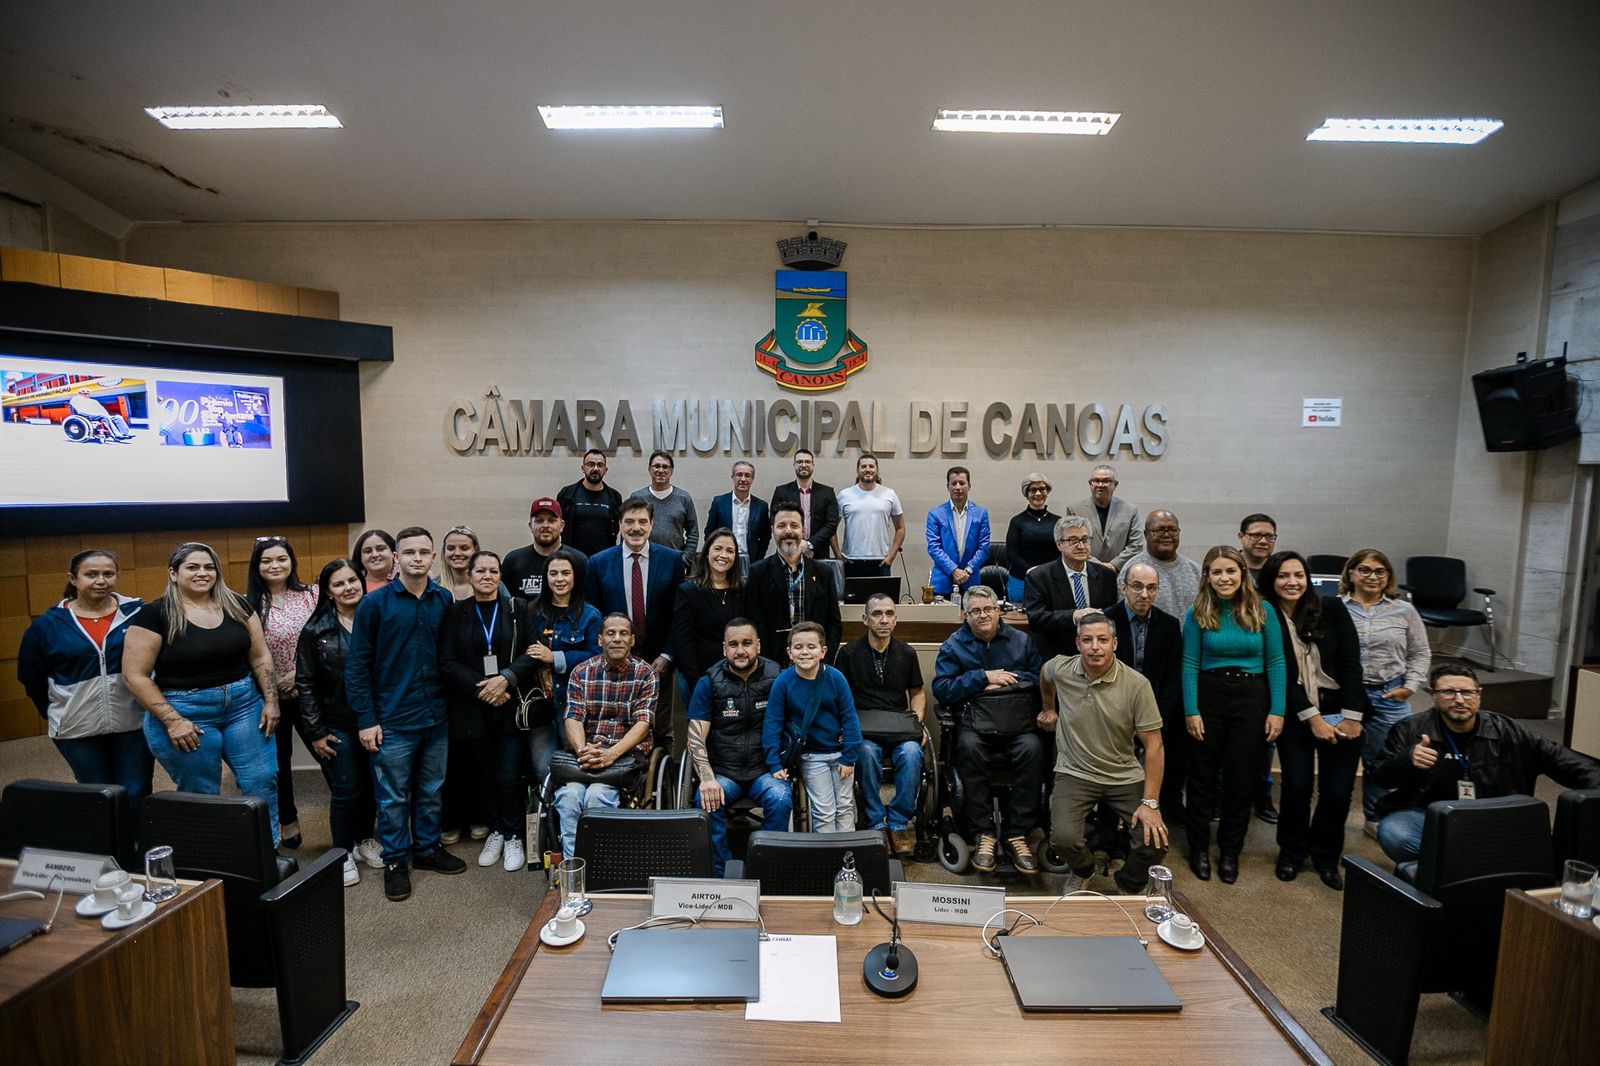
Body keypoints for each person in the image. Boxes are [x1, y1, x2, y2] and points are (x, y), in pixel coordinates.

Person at [121, 542, 282, 841]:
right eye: (192, 567)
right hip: (185, 712)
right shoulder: (154, 614)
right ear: (173, 573)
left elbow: (260, 657)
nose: (202, 573)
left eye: (209, 567)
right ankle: (212, 860)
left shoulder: (237, 604)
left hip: (244, 705)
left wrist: (271, 701)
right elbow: (135, 675)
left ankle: (267, 854)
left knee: (262, 780)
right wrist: (173, 721)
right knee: (203, 792)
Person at [1371, 663, 1600, 863]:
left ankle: (1457, 864)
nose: (1459, 700)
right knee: (1396, 833)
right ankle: (1478, 863)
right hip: (1431, 817)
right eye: (1449, 692)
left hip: (1494, 818)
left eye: (1467, 693)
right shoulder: (1410, 729)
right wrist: (1408, 760)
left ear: (1479, 694)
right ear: (1433, 695)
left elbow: (1565, 762)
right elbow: (1380, 775)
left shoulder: (1509, 732)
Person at [346, 527, 466, 902]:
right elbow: (357, 666)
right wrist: (366, 719)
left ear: (433, 558)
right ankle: (396, 859)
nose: (417, 558)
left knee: (430, 791)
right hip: (392, 719)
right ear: (397, 557)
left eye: (424, 552)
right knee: (393, 797)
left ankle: (427, 849)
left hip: (436, 715)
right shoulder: (375, 604)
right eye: (409, 552)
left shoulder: (442, 598)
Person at [17, 549, 152, 833]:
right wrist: (55, 709)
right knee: (97, 794)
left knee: (136, 791)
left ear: (117, 576)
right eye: (91, 574)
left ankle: (137, 855)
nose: (100, 580)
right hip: (77, 726)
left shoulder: (138, 613)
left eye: (108, 574)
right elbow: (30, 676)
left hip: (133, 721)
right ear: (73, 579)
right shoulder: (48, 625)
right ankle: (107, 853)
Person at [1258, 551, 1367, 890]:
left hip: (1342, 709)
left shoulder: (1332, 609)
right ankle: (1291, 853)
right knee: (1298, 786)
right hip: (1297, 712)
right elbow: (1280, 674)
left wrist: (1352, 717)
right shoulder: (1266, 616)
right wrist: (1313, 718)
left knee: (1337, 791)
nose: (1292, 582)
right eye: (1283, 576)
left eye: (1299, 575)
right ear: (1271, 581)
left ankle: (1325, 857)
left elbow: (1351, 664)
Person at [1041, 611, 1169, 892]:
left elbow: (1154, 745)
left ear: (1114, 643)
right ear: (1077, 644)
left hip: (1122, 773)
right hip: (1074, 771)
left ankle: (1127, 883)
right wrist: (1049, 707)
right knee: (1062, 839)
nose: (1094, 647)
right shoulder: (1062, 669)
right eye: (1087, 640)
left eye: (1102, 640)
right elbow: (1045, 674)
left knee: (1155, 840)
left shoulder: (1137, 685)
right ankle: (1085, 870)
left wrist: (1150, 804)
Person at [1181, 545, 1285, 885]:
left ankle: (1230, 851)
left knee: (1242, 779)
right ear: (1207, 577)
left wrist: (1278, 710)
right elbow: (1190, 663)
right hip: (1209, 694)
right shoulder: (1198, 611)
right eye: (1217, 572)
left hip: (1252, 696)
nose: (1224, 578)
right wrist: (1191, 709)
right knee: (1202, 777)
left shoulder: (1264, 610)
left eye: (1231, 571)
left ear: (1243, 575)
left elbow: (1276, 663)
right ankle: (1198, 848)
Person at [439, 550, 542, 873]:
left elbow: (533, 652)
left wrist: (504, 680)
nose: (487, 576)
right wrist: (484, 687)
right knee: (484, 773)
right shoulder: (455, 613)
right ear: (469, 576)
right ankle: (496, 830)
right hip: (473, 706)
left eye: (493, 571)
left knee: (509, 774)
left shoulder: (517, 608)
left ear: (501, 576)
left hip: (509, 704)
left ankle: (513, 834)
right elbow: (447, 661)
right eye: (480, 570)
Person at [932, 585, 1046, 874]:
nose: (983, 615)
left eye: (988, 609)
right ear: (965, 616)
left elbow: (1039, 678)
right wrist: (982, 678)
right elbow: (942, 689)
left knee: (1032, 749)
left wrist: (1008, 678)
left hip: (1017, 723)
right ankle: (983, 833)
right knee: (969, 749)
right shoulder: (953, 645)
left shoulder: (1021, 641)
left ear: (998, 611)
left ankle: (1016, 833)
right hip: (974, 725)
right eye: (975, 611)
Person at [296, 559, 382, 886]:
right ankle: (342, 852)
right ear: (328, 592)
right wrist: (316, 732)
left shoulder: (377, 618)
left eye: (352, 581)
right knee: (347, 790)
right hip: (337, 723)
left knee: (373, 787)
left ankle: (364, 841)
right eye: (338, 584)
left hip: (375, 718)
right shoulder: (315, 631)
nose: (348, 588)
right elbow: (306, 685)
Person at [686, 619, 791, 875]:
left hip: (765, 769)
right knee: (705, 798)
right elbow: (695, 736)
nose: (740, 650)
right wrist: (707, 778)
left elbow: (793, 723)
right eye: (733, 644)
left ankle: (768, 868)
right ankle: (722, 872)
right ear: (724, 649)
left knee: (780, 798)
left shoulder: (777, 677)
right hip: (725, 772)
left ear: (758, 646)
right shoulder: (709, 682)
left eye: (746, 643)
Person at [1340, 547, 1431, 833]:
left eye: (1380, 571)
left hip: (1389, 695)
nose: (1372, 576)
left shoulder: (1404, 610)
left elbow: (1420, 651)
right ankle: (1332, 820)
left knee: (1383, 760)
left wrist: (1411, 686)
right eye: (1364, 570)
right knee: (1340, 762)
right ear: (1351, 574)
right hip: (1346, 696)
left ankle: (1374, 818)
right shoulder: (1335, 608)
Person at [554, 613, 657, 857]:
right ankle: (573, 872)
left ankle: (600, 865)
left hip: (625, 756)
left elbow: (643, 723)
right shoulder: (581, 672)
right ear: (600, 640)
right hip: (587, 753)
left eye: (623, 633)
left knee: (597, 797)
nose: (617, 639)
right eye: (610, 633)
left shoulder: (646, 673)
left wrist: (611, 754)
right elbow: (573, 717)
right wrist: (581, 751)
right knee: (569, 797)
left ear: (632, 640)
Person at [586, 499, 685, 745]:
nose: (636, 528)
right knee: (619, 727)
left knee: (660, 730)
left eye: (642, 521)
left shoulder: (672, 561)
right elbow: (593, 615)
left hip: (659, 660)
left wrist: (668, 655)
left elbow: (680, 615)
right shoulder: (598, 563)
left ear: (652, 525)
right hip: (614, 660)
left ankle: (660, 781)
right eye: (629, 521)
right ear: (620, 525)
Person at [834, 594, 926, 854]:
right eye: (877, 614)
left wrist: (918, 722)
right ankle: (876, 822)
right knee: (864, 752)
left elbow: (917, 693)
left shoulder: (906, 652)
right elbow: (838, 697)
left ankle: (898, 823)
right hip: (864, 728)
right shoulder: (849, 653)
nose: (883, 619)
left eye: (889, 614)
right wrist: (843, 728)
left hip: (899, 726)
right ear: (865, 619)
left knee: (911, 753)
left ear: (895, 620)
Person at [245, 536, 319, 850]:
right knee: (278, 765)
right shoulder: (246, 604)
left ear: (292, 562)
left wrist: (299, 674)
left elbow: (324, 640)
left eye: (281, 559)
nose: (275, 566)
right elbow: (248, 653)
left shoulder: (312, 595)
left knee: (330, 755)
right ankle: (287, 821)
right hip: (268, 699)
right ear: (257, 567)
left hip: (311, 692)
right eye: (267, 561)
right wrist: (273, 686)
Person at [763, 622, 861, 832]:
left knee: (845, 807)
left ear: (823, 651)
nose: (805, 652)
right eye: (798, 647)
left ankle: (847, 857)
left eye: (811, 647)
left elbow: (850, 719)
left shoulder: (836, 678)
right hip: (811, 756)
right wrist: (773, 762)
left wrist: (849, 756)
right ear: (789, 652)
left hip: (841, 754)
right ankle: (826, 860)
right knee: (824, 811)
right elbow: (772, 723)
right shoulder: (783, 682)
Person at [1106, 562, 1185, 820]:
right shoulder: (1107, 620)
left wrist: (1154, 724)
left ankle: (1158, 809)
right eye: (1137, 587)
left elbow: (1172, 681)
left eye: (1152, 588)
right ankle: (1108, 826)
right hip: (1113, 711)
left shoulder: (1170, 625)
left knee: (1170, 745)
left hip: (1155, 712)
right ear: (1124, 587)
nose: (1144, 595)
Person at [523, 548, 602, 786]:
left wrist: (555, 657)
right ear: (545, 578)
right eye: (553, 573)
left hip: (575, 704)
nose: (559, 579)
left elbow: (596, 658)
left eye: (565, 573)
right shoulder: (531, 612)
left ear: (575, 577)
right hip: (540, 703)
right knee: (542, 770)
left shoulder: (590, 615)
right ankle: (549, 821)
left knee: (576, 768)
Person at [746, 502, 842, 665]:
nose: (788, 531)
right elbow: (754, 623)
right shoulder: (758, 572)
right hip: (773, 664)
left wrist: (824, 658)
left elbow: (834, 623)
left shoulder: (824, 573)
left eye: (794, 525)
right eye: (781, 526)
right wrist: (767, 664)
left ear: (803, 531)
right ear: (773, 531)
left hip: (814, 661)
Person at [1024, 515, 1117, 661]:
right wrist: (1073, 616)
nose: (1081, 546)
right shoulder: (1038, 577)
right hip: (1058, 656)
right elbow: (1036, 619)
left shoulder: (1107, 575)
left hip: (1098, 656)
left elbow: (1113, 615)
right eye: (1073, 541)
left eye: (1085, 540)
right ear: (1059, 544)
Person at [670, 528, 748, 698]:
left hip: (736, 678)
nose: (723, 555)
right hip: (699, 677)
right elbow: (683, 642)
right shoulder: (688, 591)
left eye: (730, 551)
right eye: (718, 548)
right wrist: (697, 683)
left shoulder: (742, 591)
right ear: (706, 553)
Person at [502, 497, 589, 603]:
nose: (545, 525)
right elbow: (504, 603)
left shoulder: (579, 560)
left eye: (552, 520)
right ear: (530, 526)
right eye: (539, 521)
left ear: (562, 526)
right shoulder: (513, 561)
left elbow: (586, 601)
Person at [1121, 510, 1202, 622]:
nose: (1167, 535)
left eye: (1173, 530)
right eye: (1159, 530)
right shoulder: (1131, 569)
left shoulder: (1196, 571)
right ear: (1146, 534)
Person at [834, 453, 905, 579]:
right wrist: (838, 555)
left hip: (881, 561)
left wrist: (892, 556)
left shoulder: (890, 494)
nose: (868, 469)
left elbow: (900, 528)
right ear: (858, 470)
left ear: (877, 470)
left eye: (871, 466)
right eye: (864, 466)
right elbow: (831, 528)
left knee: (882, 599)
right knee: (853, 600)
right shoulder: (844, 495)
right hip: (851, 561)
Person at [926, 465, 991, 600]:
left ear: (969, 486)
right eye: (953, 483)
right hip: (943, 581)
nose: (958, 487)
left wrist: (967, 571)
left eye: (962, 483)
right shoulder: (935, 514)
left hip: (971, 581)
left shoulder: (981, 514)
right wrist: (954, 571)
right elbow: (934, 548)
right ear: (947, 486)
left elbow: (984, 548)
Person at [1066, 464, 1143, 571]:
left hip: (1118, 574)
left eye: (1106, 481)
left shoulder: (1130, 510)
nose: (1100, 485)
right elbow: (1072, 543)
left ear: (1115, 484)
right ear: (1090, 484)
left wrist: (1114, 565)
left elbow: (1136, 545)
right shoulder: (1074, 510)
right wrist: (1098, 565)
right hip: (1085, 570)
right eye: (1096, 481)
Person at [770, 448, 840, 560]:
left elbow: (831, 524)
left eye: (807, 462)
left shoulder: (827, 492)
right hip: (788, 550)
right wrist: (797, 543)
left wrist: (809, 544)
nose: (804, 465)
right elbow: (775, 521)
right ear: (794, 465)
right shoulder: (781, 492)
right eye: (799, 462)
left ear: (813, 465)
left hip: (819, 553)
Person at [1003, 472, 1060, 602]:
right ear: (1026, 494)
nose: (1038, 494)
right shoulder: (1017, 521)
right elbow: (1012, 555)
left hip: (1050, 579)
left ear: (1047, 491)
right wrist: (1031, 570)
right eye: (1033, 490)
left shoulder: (1058, 521)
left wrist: (1046, 572)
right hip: (1021, 580)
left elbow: (1062, 552)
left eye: (1042, 489)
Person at [557, 448, 624, 558]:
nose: (595, 468)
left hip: (604, 559)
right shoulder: (567, 494)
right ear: (583, 468)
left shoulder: (615, 497)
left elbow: (618, 528)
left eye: (600, 465)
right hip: (572, 559)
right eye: (591, 464)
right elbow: (558, 525)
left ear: (605, 470)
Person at [628, 450, 699, 553]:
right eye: (656, 466)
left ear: (671, 471)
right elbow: (628, 528)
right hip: (643, 560)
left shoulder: (684, 498)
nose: (661, 470)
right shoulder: (637, 497)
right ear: (649, 470)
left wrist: (686, 558)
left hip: (675, 560)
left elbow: (693, 531)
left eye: (665, 467)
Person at [706, 460, 771, 571]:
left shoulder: (761, 506)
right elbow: (709, 532)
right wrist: (717, 554)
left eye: (747, 475)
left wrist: (758, 559)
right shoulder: (719, 502)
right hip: (724, 558)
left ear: (752, 479)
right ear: (733, 477)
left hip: (750, 560)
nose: (743, 479)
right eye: (739, 475)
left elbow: (766, 536)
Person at [439, 525, 480, 601]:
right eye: (451, 548)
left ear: (476, 550)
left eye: (464, 548)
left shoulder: (492, 585)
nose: (457, 553)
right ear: (444, 551)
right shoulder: (433, 588)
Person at [351, 528, 397, 593]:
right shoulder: (353, 588)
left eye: (380, 549)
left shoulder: (407, 582)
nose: (374, 555)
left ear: (394, 553)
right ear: (360, 557)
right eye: (367, 551)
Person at [1236, 514, 1278, 580]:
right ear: (1241, 537)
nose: (1263, 541)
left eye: (1269, 536)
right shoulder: (1227, 566)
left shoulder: (1280, 568)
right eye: (1256, 535)